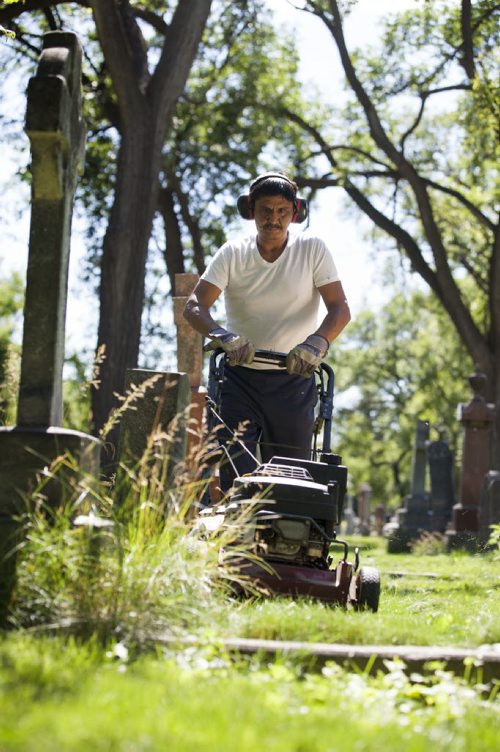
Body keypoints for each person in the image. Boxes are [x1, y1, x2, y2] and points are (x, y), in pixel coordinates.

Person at [183, 171, 351, 492]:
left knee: (291, 479)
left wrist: (317, 342)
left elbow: (340, 309)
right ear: (251, 210)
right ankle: (238, 538)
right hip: (240, 381)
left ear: (295, 212)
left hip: (294, 381)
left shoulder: (312, 250)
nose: (273, 219)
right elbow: (193, 307)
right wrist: (222, 335)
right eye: (265, 210)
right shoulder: (233, 253)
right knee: (238, 476)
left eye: (282, 211)